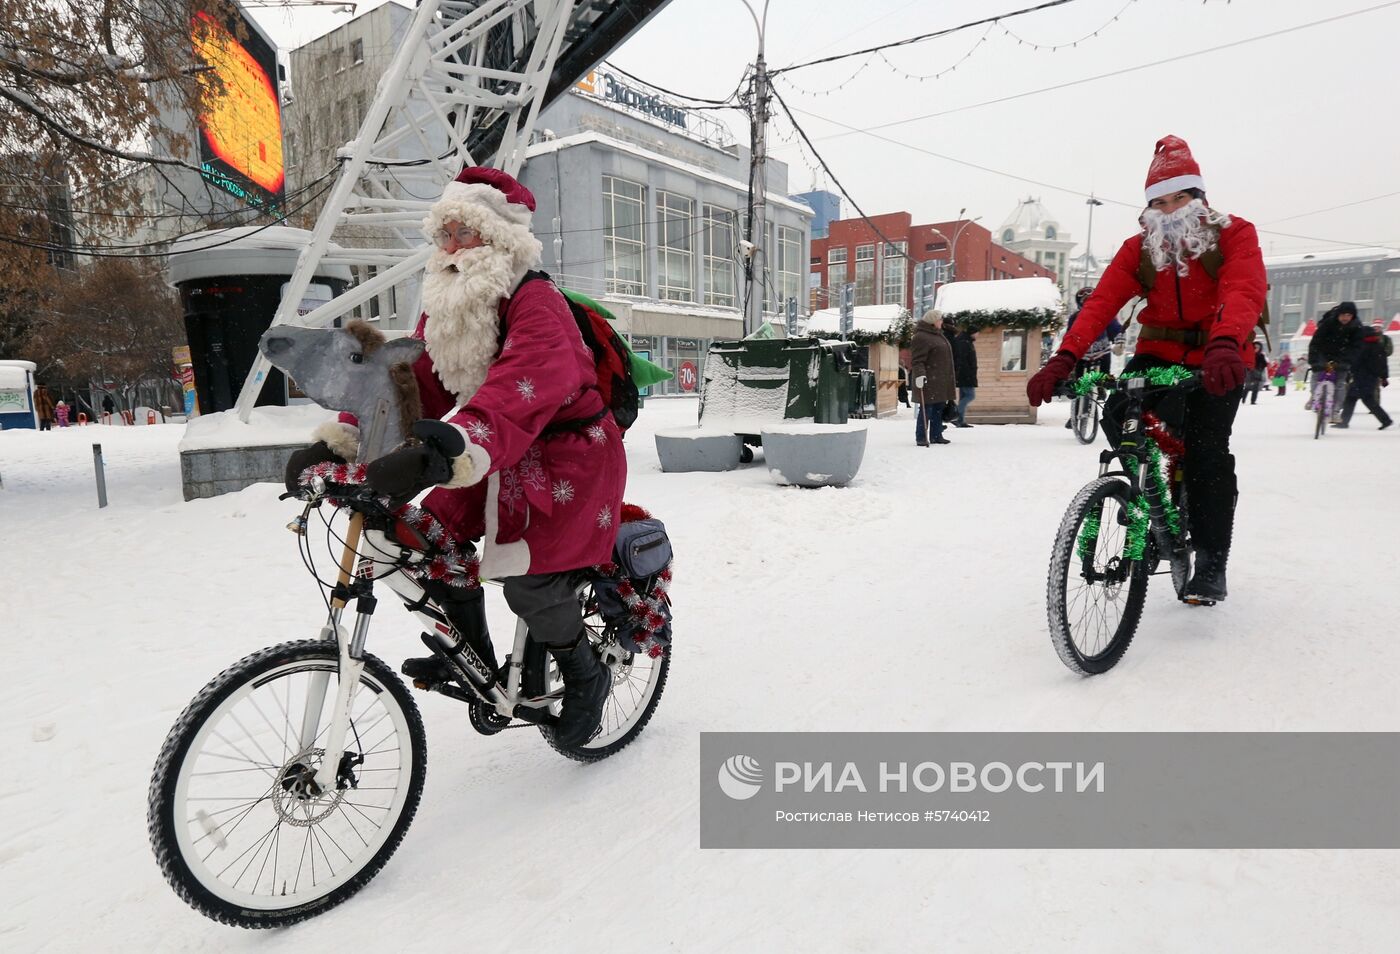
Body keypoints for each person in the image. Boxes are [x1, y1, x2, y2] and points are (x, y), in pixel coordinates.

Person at [284, 166, 624, 747]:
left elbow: (526, 382)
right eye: (443, 236)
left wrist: (445, 447)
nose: (450, 250)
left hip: (567, 459)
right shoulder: (450, 308)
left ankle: (584, 674)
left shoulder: (537, 302)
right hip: (487, 447)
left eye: (464, 235)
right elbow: (413, 379)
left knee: (531, 586)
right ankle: (474, 659)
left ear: (501, 240)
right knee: (417, 537)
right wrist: (344, 438)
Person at [1027, 135, 1266, 604]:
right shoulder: (1140, 249)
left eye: (1179, 197)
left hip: (1218, 355)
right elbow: (1100, 304)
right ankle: (1152, 499)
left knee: (1207, 454)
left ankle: (1211, 559)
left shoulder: (1235, 234)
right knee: (1118, 413)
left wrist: (1224, 342)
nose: (1170, 208)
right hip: (1158, 352)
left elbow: (1243, 289)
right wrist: (1065, 356)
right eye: (1159, 201)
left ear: (1198, 197)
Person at [1062, 286, 1124, 428]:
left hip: (1102, 350)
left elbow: (1116, 329)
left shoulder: (1105, 314)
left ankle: (1102, 388)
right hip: (1082, 353)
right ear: (1080, 303)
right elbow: (1069, 334)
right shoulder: (1075, 318)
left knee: (1104, 373)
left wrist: (1119, 342)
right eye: (1084, 301)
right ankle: (1075, 413)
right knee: (1078, 382)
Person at [1307, 302, 1367, 425]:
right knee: (1316, 375)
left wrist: (1347, 362)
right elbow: (1315, 342)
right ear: (1338, 314)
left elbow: (1356, 348)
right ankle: (1314, 397)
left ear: (1353, 316)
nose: (1345, 318)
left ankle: (1335, 411)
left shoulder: (1357, 328)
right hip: (1324, 353)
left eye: (1348, 315)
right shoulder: (1328, 324)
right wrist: (1314, 361)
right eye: (1343, 315)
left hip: (1342, 356)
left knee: (1340, 383)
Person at [910, 309, 956, 445]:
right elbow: (918, 360)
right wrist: (920, 375)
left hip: (940, 381)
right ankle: (921, 437)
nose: (941, 322)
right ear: (933, 321)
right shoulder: (921, 337)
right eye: (939, 319)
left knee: (938, 409)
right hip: (929, 380)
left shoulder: (938, 335)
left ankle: (936, 435)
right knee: (926, 410)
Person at [1337, 320, 1392, 429]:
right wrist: (1384, 377)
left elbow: (1355, 362)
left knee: (1362, 399)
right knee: (1356, 398)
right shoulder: (1378, 346)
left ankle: (1386, 420)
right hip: (1371, 378)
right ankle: (1344, 422)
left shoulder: (1362, 347)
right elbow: (1383, 364)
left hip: (1361, 377)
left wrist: (1349, 372)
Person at [952, 325, 979, 428]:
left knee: (963, 396)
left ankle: (960, 420)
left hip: (963, 374)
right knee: (970, 396)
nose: (978, 335)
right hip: (966, 374)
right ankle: (956, 414)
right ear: (972, 333)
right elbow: (963, 360)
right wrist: (969, 373)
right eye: (977, 333)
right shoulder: (965, 343)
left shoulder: (964, 341)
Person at [1244, 340, 1267, 405]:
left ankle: (1253, 401)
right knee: (1247, 387)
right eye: (1255, 347)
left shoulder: (1261, 355)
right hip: (1249, 373)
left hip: (1257, 373)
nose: (1256, 349)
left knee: (1255, 389)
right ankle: (1243, 398)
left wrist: (1260, 367)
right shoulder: (1249, 354)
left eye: (1258, 347)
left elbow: (1265, 364)